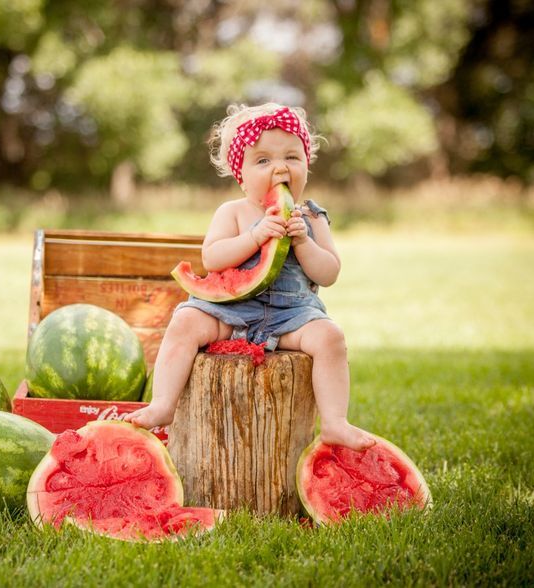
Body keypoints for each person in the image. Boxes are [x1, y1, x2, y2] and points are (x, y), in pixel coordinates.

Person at [124, 103, 375, 451]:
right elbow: (212, 258)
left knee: (331, 338)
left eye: (292, 156)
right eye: (263, 160)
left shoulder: (312, 218)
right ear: (240, 174)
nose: (280, 167)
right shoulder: (233, 212)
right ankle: (163, 405)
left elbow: (329, 272)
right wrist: (255, 237)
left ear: (306, 164)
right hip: (231, 312)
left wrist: (303, 241)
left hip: (292, 317)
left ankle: (334, 422)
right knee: (184, 323)